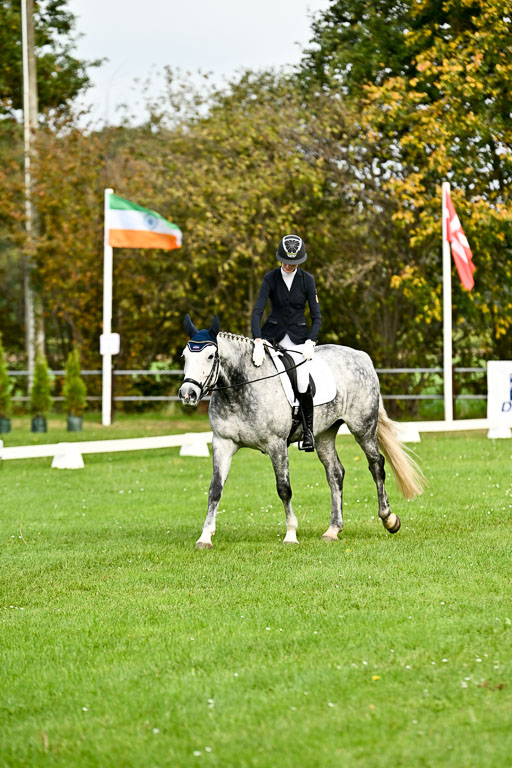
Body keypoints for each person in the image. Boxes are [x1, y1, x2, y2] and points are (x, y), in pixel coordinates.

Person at [251, 234, 322, 452]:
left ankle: (308, 432)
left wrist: (311, 340)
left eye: (293, 263)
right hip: (272, 338)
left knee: (301, 381)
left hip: (299, 340)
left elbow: (317, 316)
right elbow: (257, 311)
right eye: (286, 261)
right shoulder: (270, 279)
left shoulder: (307, 280)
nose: (289, 266)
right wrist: (257, 339)